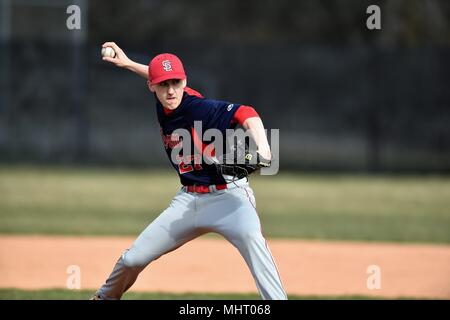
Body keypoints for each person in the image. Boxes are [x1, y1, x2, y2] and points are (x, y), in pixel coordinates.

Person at [91, 42, 287, 300]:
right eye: (163, 84)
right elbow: (155, 74)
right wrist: (127, 64)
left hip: (229, 198)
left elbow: (246, 113)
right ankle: (104, 298)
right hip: (188, 199)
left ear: (184, 82)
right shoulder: (164, 99)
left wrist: (265, 149)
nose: (171, 90)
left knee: (254, 245)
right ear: (152, 86)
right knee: (132, 259)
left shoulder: (199, 108)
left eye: (176, 83)